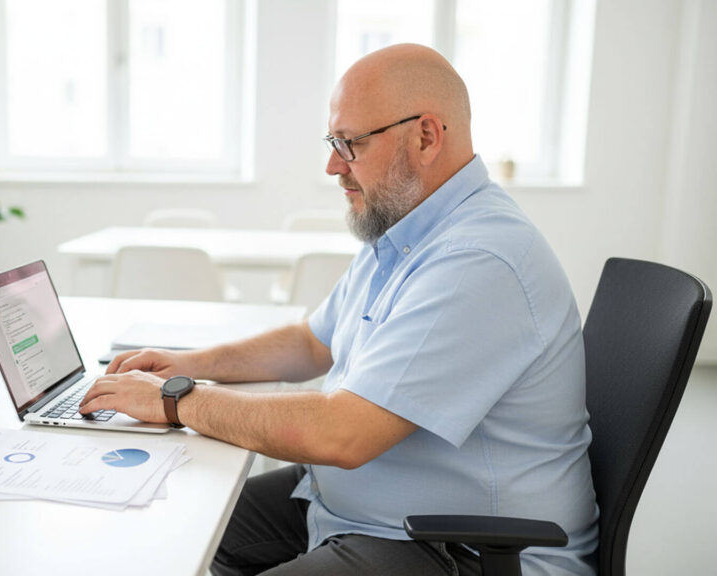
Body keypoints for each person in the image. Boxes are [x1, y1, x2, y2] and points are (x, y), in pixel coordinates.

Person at [80, 43, 598, 575]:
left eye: (350, 143)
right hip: (358, 508)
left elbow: (342, 432)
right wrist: (187, 365)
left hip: (457, 549)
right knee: (173, 526)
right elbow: (312, 343)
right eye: (334, 141)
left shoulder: (479, 260)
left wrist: (176, 401)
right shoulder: (407, 230)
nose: (332, 165)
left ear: (425, 136)